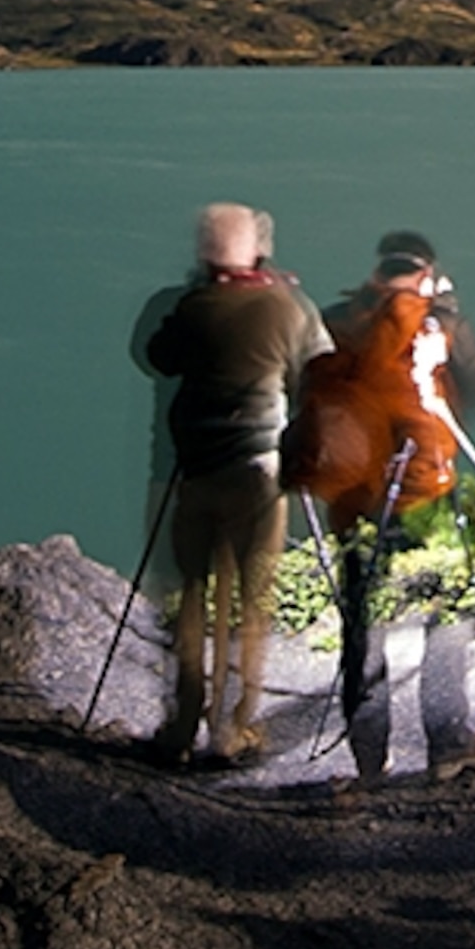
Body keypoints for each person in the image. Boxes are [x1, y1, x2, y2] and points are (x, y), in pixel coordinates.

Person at [284, 237, 475, 790]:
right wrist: (449, 325)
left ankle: (368, 754)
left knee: (364, 623)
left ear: (378, 272)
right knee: (449, 614)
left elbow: (302, 386)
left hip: (357, 498)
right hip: (425, 498)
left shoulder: (338, 321)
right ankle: (448, 743)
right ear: (427, 273)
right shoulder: (440, 324)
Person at [138, 202, 327, 765]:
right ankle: (232, 726)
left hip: (193, 474)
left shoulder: (189, 307)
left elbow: (155, 357)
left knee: (190, 596)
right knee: (252, 599)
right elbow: (318, 370)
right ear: (258, 250)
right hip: (261, 476)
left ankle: (180, 724)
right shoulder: (287, 307)